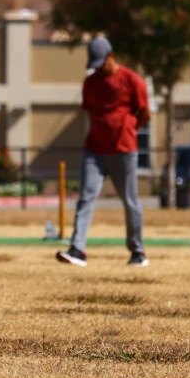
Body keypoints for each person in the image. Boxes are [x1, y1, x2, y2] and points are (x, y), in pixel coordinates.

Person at [56, 37, 150, 267]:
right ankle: (77, 249)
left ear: (111, 56)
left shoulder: (131, 80)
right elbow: (89, 111)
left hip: (124, 150)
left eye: (101, 63)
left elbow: (145, 113)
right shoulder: (90, 83)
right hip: (94, 150)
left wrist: (128, 129)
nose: (98, 68)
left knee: (130, 202)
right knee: (86, 198)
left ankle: (137, 252)